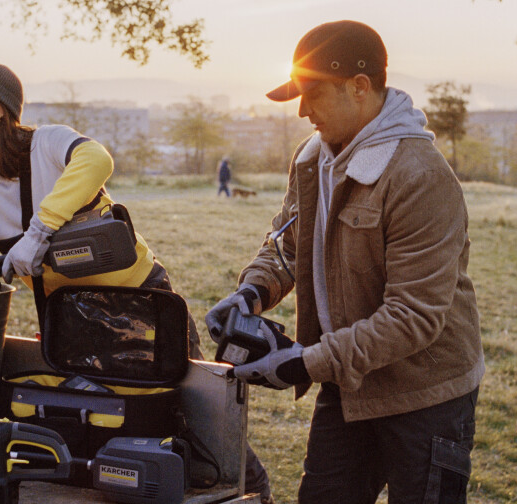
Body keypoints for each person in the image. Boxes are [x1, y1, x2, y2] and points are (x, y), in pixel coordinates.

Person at [0, 61, 272, 502]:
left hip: (142, 302)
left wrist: (40, 231)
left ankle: (253, 490)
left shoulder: (50, 145)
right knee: (109, 424)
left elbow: (98, 159)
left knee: (195, 413)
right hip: (73, 324)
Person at [205, 21, 484, 503]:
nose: (302, 110)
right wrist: (251, 292)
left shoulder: (420, 177)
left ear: (359, 87)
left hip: (426, 395)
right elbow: (288, 245)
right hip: (346, 381)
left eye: (312, 93)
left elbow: (413, 317)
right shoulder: (312, 158)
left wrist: (304, 363)